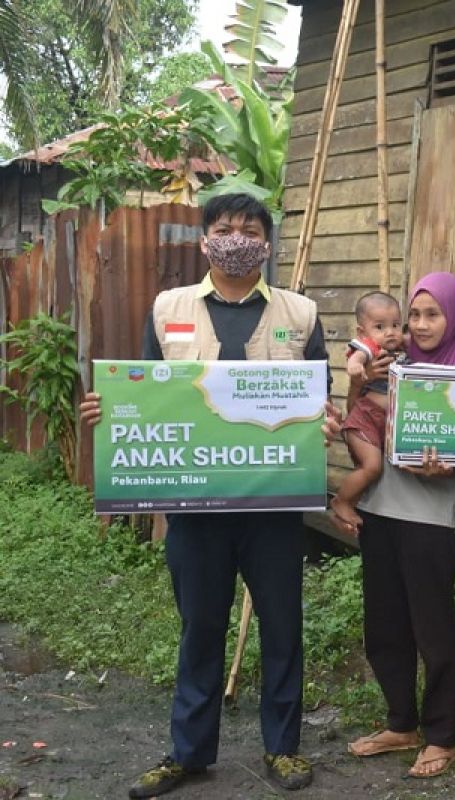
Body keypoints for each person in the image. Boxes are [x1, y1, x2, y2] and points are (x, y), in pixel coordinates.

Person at [79, 193, 328, 797]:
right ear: (204, 241)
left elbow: (318, 397)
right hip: (195, 509)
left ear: (266, 243)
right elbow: (145, 392)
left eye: (248, 229)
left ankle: (283, 749)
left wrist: (326, 420)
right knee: (200, 627)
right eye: (224, 228)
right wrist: (107, 412)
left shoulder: (301, 312)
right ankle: (189, 753)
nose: (236, 237)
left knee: (282, 627)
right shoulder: (170, 309)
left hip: (273, 506)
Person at [332, 272, 455, 779]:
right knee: (384, 626)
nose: (419, 324)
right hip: (379, 508)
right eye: (413, 315)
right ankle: (401, 722)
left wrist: (448, 465)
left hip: (426, 518)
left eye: (431, 314)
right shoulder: (392, 363)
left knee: (433, 632)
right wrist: (354, 388)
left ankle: (442, 735)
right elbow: (358, 421)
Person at [329, 291, 407, 533]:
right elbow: (357, 358)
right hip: (364, 419)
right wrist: (354, 367)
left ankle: (352, 503)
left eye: (395, 325)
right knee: (372, 467)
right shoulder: (369, 347)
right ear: (362, 332)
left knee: (374, 469)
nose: (390, 332)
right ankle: (341, 501)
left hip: (382, 422)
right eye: (380, 326)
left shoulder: (402, 346)